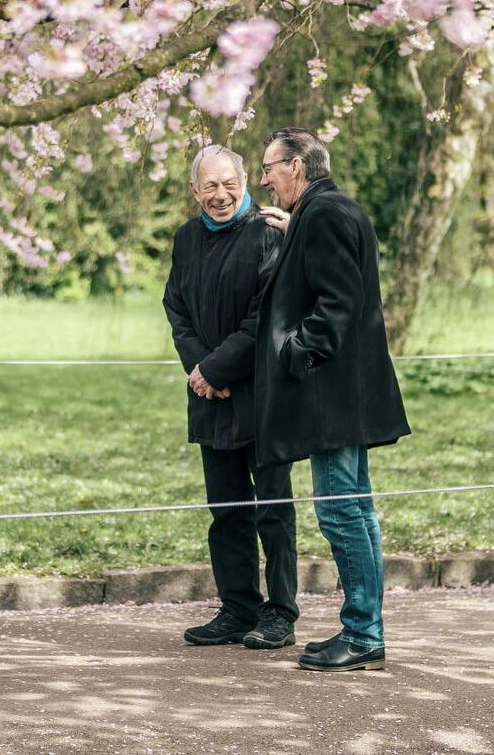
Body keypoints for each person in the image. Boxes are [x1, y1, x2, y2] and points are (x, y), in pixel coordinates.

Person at [253, 127, 410, 673]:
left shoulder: (324, 214)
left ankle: (364, 634)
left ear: (296, 166)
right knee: (357, 511)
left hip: (332, 397)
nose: (264, 179)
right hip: (343, 394)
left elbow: (337, 302)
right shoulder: (330, 211)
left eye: (269, 167)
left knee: (342, 513)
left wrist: (296, 352)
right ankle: (364, 628)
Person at [162, 144, 298, 650]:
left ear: (245, 182)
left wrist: (216, 367)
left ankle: (281, 613)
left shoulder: (268, 233)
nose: (220, 195)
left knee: (273, 510)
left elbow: (267, 314)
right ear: (195, 191)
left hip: (261, 394)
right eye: (209, 186)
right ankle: (237, 606)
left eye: (229, 184)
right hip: (209, 395)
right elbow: (176, 309)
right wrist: (200, 369)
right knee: (227, 509)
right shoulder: (186, 238)